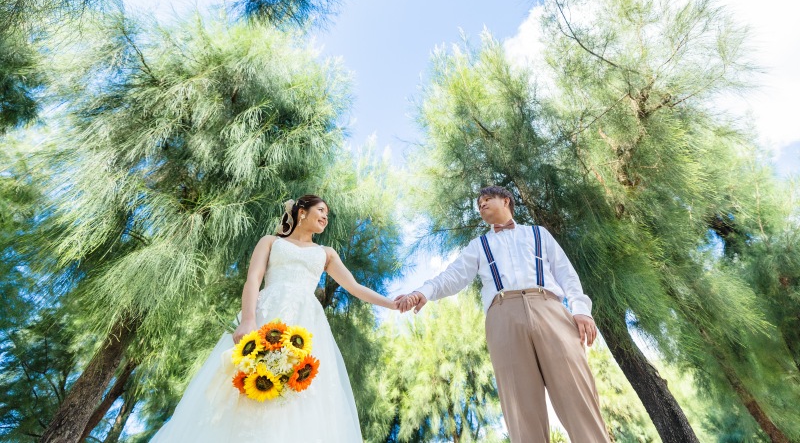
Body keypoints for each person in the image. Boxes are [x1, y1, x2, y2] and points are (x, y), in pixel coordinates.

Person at [151, 194, 398, 442]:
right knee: (245, 386)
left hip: (305, 326)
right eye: (321, 210)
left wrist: (394, 304)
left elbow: (355, 287)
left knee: (297, 392)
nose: (325, 217)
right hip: (265, 314)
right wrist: (248, 321)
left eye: (328, 215)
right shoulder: (270, 242)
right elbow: (253, 280)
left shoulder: (326, 253)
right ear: (302, 212)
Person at [396, 185, 610, 443]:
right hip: (503, 316)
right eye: (479, 204)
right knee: (520, 408)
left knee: (577, 394)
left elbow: (566, 273)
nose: (482, 205)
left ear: (506, 200)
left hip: (549, 307)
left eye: (487, 199)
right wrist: (423, 292)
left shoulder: (538, 234)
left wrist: (581, 310)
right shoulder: (479, 245)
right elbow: (452, 277)